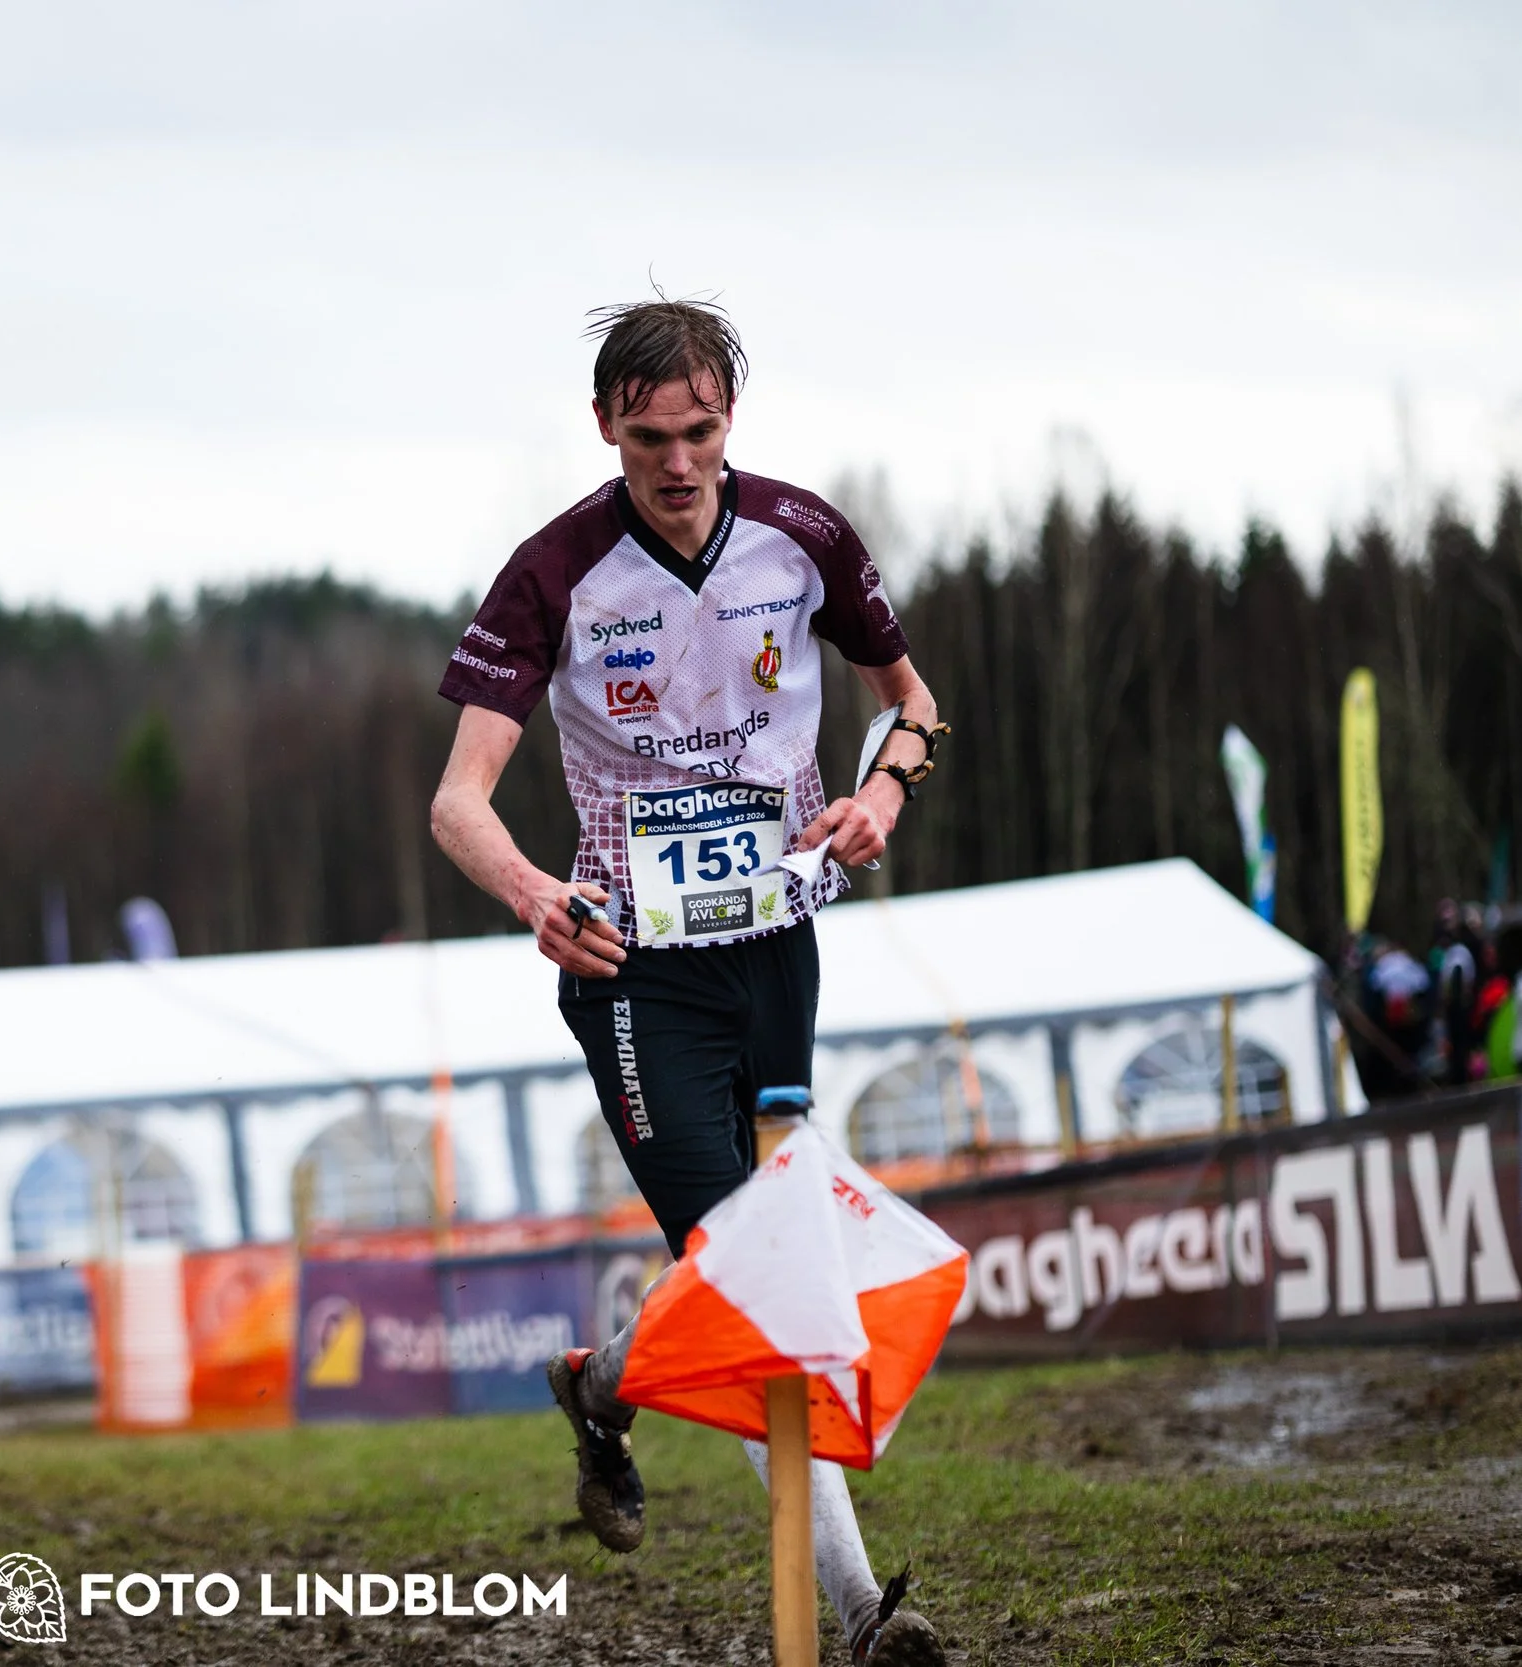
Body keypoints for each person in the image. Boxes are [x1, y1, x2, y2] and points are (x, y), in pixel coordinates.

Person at [430, 297, 946, 1666]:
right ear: (606, 424)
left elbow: (912, 701)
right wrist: (536, 894)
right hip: (635, 974)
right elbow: (457, 802)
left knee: (747, 1255)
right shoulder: (553, 572)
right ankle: (859, 1610)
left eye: (701, 431)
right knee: (760, 1270)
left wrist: (883, 793)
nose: (678, 461)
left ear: (731, 420)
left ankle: (601, 1382)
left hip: (777, 942)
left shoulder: (802, 534)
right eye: (650, 436)